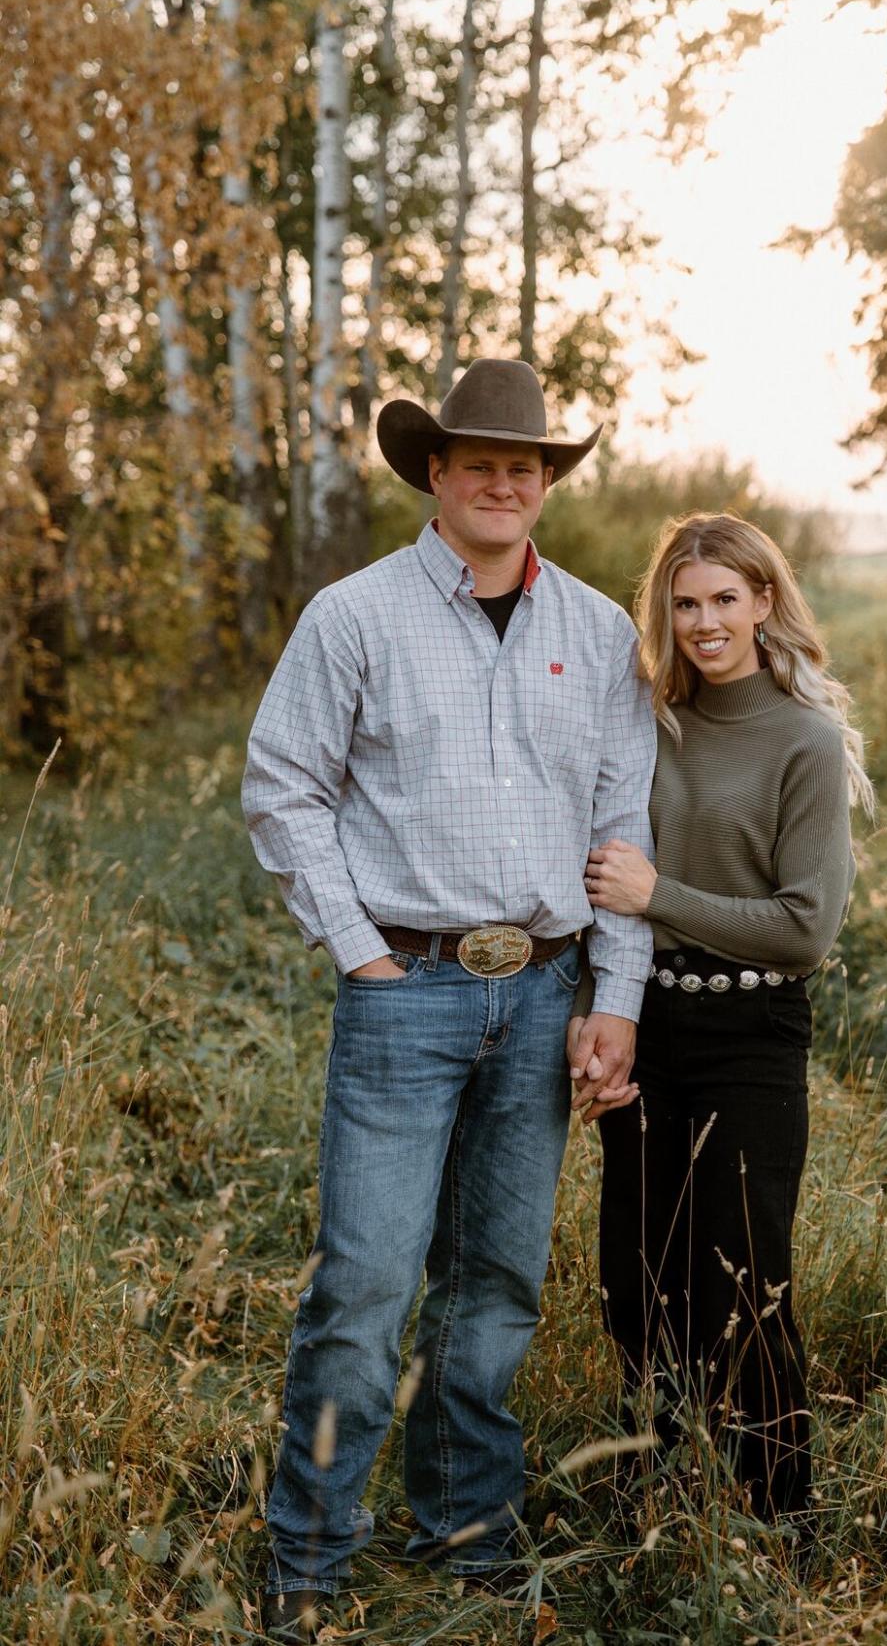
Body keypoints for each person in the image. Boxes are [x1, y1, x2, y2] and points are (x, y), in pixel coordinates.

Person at [242, 358, 656, 1640]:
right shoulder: (355, 615)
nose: (502, 482)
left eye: (524, 466)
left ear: (546, 484)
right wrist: (360, 951)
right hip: (404, 991)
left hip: (542, 993)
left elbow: (621, 820)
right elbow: (284, 787)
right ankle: (309, 1559)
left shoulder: (593, 632)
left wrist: (616, 994)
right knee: (363, 1285)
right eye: (477, 462)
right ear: (435, 473)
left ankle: (468, 1539)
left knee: (498, 1284)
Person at [578, 511, 873, 1523]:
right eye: (686, 601)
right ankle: (650, 1498)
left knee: (742, 1283)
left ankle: (776, 1519)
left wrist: (659, 894)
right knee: (637, 1276)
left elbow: (803, 930)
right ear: (665, 609)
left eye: (725, 600)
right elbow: (598, 878)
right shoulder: (644, 719)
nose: (705, 622)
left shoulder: (804, 740)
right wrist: (596, 1014)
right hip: (645, 1024)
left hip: (753, 1033)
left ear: (763, 603)